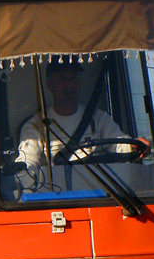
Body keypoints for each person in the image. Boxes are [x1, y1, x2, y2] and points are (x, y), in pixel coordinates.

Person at [17, 57, 146, 181]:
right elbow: (28, 162)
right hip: (58, 197)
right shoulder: (36, 126)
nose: (69, 85)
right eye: (62, 79)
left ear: (80, 82)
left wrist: (135, 147)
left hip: (102, 193)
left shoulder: (99, 119)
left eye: (74, 78)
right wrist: (24, 174)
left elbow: (120, 145)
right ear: (49, 84)